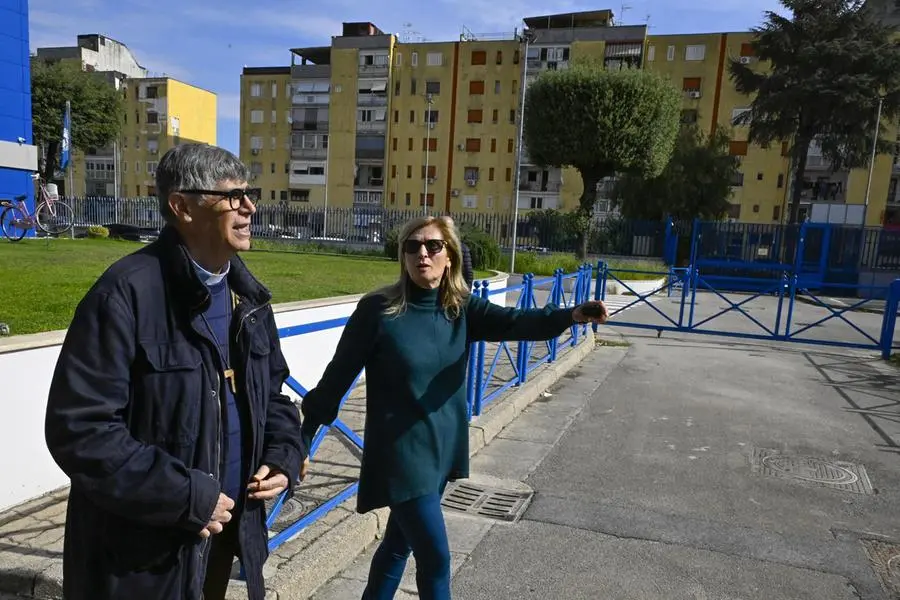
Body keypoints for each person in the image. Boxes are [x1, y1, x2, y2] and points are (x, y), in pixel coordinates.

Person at [44, 143, 307, 600]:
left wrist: (284, 455)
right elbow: (80, 429)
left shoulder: (248, 299)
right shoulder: (124, 295)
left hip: (224, 538)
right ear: (181, 206)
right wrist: (187, 497)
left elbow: (274, 396)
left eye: (249, 193)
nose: (250, 207)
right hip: (142, 559)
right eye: (232, 196)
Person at [299, 215, 607, 600]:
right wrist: (303, 438)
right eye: (412, 247)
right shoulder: (378, 310)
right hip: (401, 454)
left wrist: (570, 315)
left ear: (450, 258)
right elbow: (336, 379)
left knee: (398, 545)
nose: (422, 254)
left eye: (433, 246)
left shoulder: (460, 309)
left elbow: (516, 322)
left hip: (441, 448)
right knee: (437, 558)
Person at [443, 216, 473, 287]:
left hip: (456, 289)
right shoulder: (431, 247)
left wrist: (466, 293)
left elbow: (468, 273)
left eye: (448, 227)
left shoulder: (463, 248)